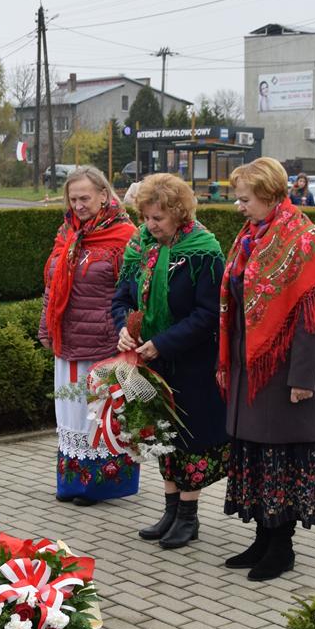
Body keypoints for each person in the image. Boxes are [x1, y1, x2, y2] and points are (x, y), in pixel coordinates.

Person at [218, 157, 315, 582]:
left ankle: (282, 546)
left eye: (245, 199)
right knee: (256, 453)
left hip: (284, 370)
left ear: (270, 195)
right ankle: (262, 538)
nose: (240, 206)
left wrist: (303, 380)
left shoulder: (305, 239)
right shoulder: (252, 234)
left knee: (281, 457)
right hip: (250, 366)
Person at [112, 174, 229, 549]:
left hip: (190, 363)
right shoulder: (139, 248)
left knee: (189, 439)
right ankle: (170, 509)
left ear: (179, 213)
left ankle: (189, 518)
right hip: (150, 361)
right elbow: (121, 299)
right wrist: (124, 330)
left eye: (158, 218)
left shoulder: (205, 251)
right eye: (146, 217)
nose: (150, 226)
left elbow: (208, 313)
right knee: (161, 434)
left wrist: (163, 343)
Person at [40, 167, 138, 505]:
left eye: (85, 198)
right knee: (70, 411)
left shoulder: (125, 236)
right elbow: (52, 286)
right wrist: (45, 328)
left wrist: (128, 334)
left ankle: (100, 485)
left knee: (97, 413)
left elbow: (135, 293)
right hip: (67, 340)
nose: (78, 205)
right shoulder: (67, 232)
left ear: (104, 196)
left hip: (104, 342)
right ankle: (72, 482)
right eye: (73, 198)